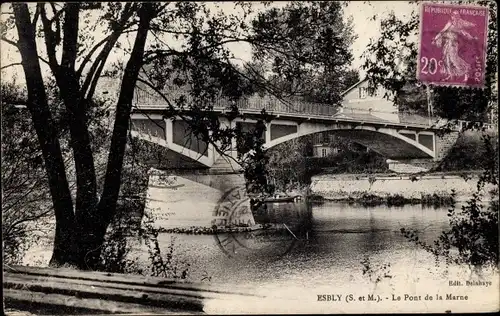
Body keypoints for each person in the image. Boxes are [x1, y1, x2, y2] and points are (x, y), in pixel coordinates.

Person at [431, 10, 479, 82]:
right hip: (447, 43)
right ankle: (450, 75)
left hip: (453, 44)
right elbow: (442, 31)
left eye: (457, 16)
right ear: (451, 16)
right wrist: (435, 39)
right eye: (454, 16)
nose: (455, 17)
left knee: (454, 59)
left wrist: (472, 38)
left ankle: (466, 72)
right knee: (446, 59)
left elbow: (465, 33)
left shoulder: (459, 25)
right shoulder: (449, 23)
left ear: (458, 17)